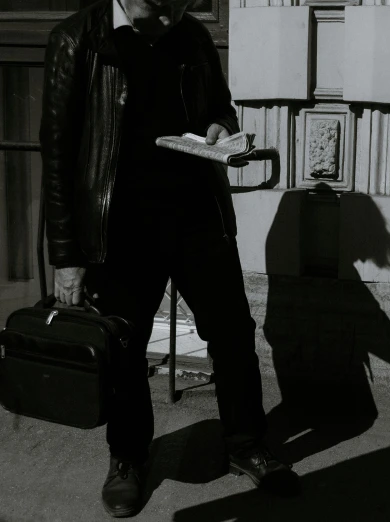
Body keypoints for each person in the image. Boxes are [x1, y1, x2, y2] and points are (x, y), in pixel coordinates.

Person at [39, 0, 298, 517]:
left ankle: (246, 443)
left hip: (197, 216)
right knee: (126, 347)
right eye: (160, 9)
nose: (170, 18)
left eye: (177, 8)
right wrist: (66, 255)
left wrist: (223, 130)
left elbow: (218, 106)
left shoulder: (191, 35)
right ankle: (128, 457)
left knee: (231, 331)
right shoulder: (78, 39)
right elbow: (58, 151)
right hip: (121, 228)